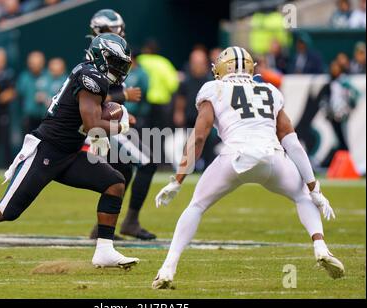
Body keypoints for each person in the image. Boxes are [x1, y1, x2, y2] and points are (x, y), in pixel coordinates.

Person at [0, 33, 139, 271]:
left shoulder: (93, 74)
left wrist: (108, 121)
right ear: (102, 58)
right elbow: (91, 124)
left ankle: (104, 251)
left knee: (115, 183)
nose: (120, 68)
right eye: (116, 62)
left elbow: (89, 120)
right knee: (6, 211)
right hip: (46, 150)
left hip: (70, 152)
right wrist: (119, 124)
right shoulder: (91, 76)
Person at [152, 46, 344, 289]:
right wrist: (314, 188)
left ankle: (168, 267)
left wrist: (177, 180)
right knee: (302, 196)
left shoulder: (214, 88)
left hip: (235, 158)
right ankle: (320, 246)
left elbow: (199, 137)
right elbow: (292, 142)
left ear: (223, 68)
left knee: (197, 205)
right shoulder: (268, 89)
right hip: (273, 158)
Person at [88, 9, 157, 240]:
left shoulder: (111, 54)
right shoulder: (96, 57)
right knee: (147, 162)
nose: (118, 34)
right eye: (112, 31)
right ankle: (131, 221)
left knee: (123, 170)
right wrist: (123, 98)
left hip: (114, 120)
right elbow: (93, 95)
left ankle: (103, 228)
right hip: (103, 124)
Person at [173, 47, 216, 170]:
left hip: (207, 119)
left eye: (200, 63)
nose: (197, 66)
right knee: (190, 144)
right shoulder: (186, 81)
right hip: (191, 117)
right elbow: (181, 99)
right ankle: (188, 167)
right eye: (195, 63)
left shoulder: (210, 81)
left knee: (208, 144)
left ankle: (208, 168)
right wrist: (179, 112)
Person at [17, 51, 47, 134]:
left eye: (38, 63)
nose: (35, 66)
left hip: (45, 119)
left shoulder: (49, 77)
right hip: (29, 119)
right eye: (32, 63)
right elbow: (19, 95)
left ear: (42, 63)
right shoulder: (24, 77)